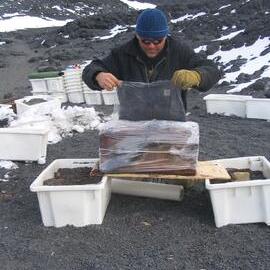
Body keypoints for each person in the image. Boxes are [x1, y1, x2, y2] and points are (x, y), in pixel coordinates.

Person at [82, 8, 221, 109]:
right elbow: (90, 68)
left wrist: (196, 76)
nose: (152, 46)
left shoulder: (179, 51)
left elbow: (212, 70)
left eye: (158, 41)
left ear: (165, 36)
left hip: (171, 123)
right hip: (133, 124)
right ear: (137, 36)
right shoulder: (122, 54)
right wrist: (98, 75)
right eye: (146, 41)